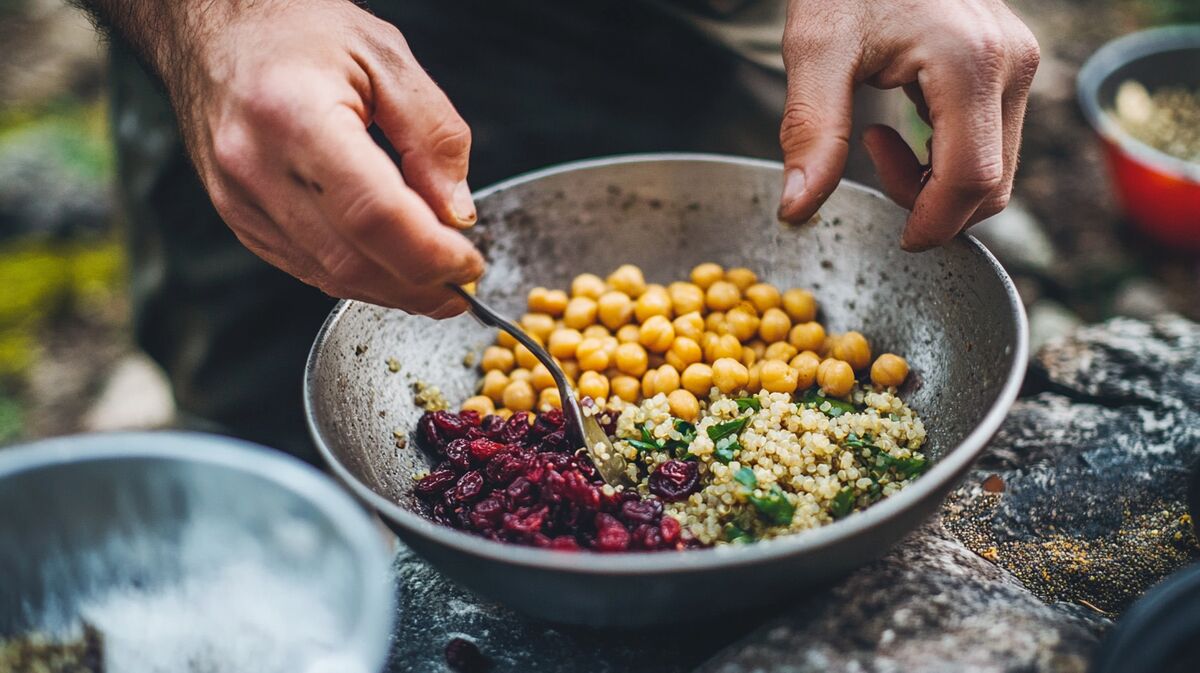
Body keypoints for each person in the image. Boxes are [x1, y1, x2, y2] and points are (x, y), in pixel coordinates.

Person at [76, 0, 1038, 461]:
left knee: (750, 205)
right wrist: (209, 22)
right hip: (290, 42)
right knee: (271, 418)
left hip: (688, 34)